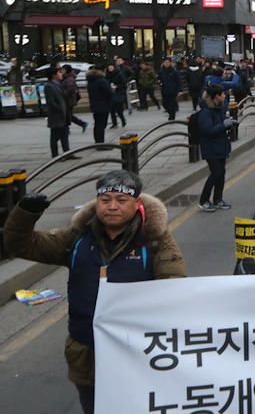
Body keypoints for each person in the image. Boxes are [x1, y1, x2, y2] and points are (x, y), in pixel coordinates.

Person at [2, 170, 185, 414]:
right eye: (105, 199)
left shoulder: (155, 239)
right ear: (96, 202)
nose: (112, 206)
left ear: (136, 203)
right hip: (86, 352)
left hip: (137, 352)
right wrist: (25, 214)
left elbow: (174, 289)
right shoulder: (76, 236)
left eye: (121, 200)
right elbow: (22, 245)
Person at [198, 84, 237, 211]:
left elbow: (220, 126)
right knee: (216, 173)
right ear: (216, 96)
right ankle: (203, 200)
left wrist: (230, 124)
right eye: (223, 94)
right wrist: (223, 125)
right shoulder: (205, 111)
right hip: (211, 147)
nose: (225, 96)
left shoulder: (219, 108)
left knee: (221, 173)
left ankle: (218, 199)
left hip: (221, 145)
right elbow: (207, 130)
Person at [45, 65, 72, 158]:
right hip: (56, 115)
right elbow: (50, 102)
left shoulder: (58, 85)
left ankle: (67, 153)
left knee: (64, 135)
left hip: (63, 114)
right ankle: (55, 155)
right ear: (53, 75)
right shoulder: (49, 86)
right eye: (59, 73)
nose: (61, 74)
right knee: (55, 136)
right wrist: (59, 109)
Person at [85, 66, 114, 144]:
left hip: (95, 104)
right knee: (101, 124)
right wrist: (112, 89)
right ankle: (100, 142)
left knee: (97, 124)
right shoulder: (102, 81)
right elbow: (109, 92)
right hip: (103, 104)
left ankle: (98, 141)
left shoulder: (90, 81)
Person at [60, 64, 88, 132]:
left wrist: (62, 94)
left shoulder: (69, 78)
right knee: (68, 115)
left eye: (63, 70)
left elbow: (70, 89)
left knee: (67, 115)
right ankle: (82, 124)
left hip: (68, 100)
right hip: (67, 100)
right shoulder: (65, 77)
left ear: (66, 70)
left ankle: (67, 129)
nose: (61, 71)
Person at [105, 62, 128, 128]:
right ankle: (114, 123)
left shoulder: (119, 74)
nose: (110, 68)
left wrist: (117, 86)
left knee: (119, 110)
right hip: (111, 94)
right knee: (112, 110)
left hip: (118, 94)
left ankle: (123, 120)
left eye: (111, 67)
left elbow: (123, 84)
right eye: (109, 67)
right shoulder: (108, 75)